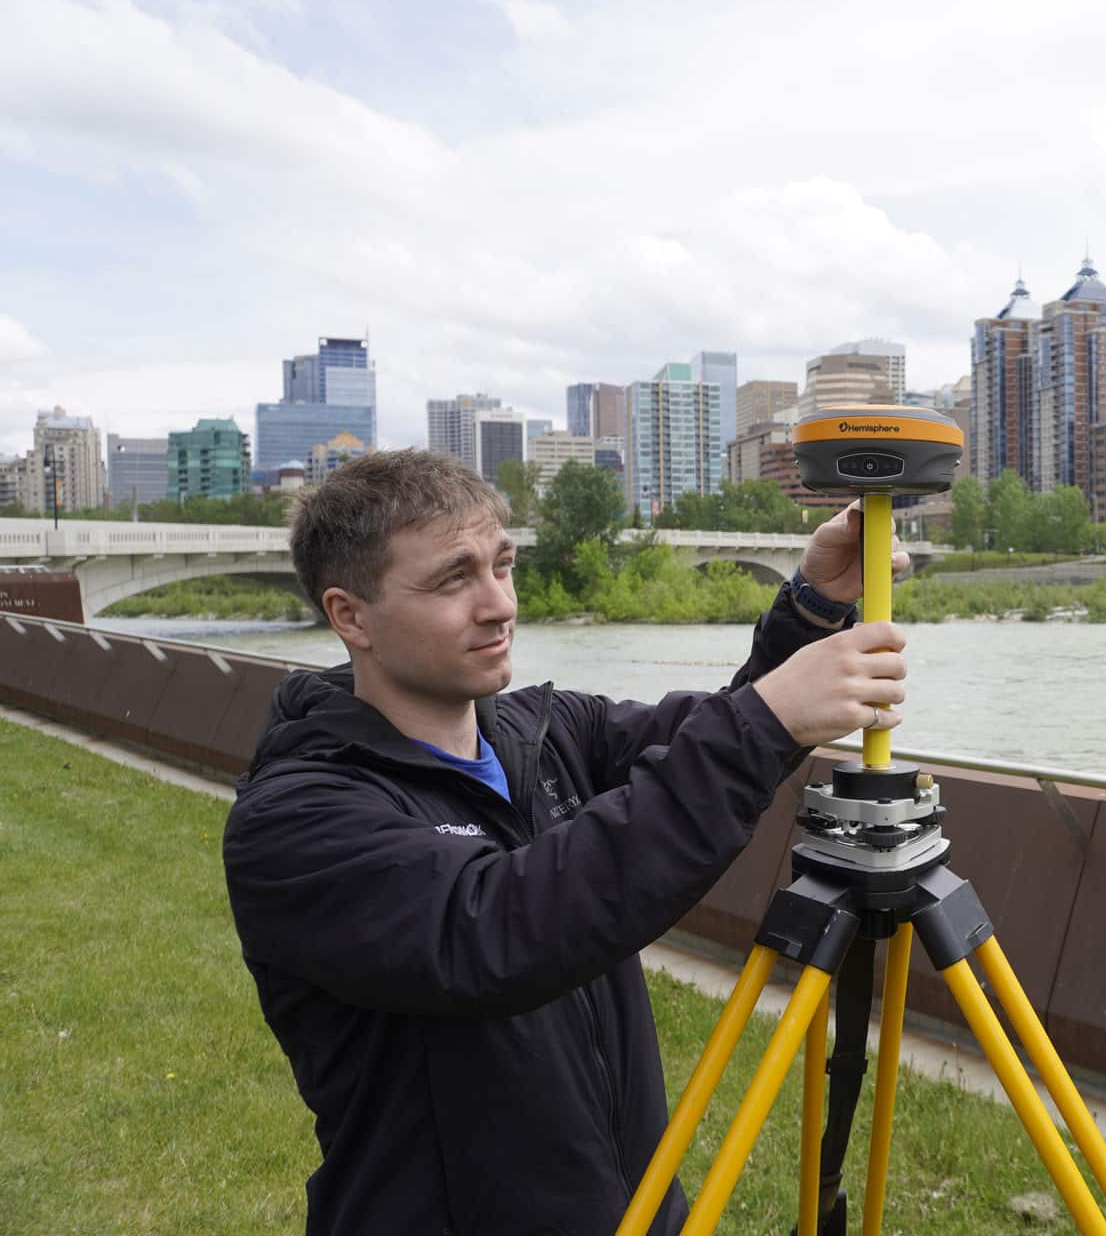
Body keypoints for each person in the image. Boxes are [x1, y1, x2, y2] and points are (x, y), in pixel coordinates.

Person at [222, 449, 909, 1235]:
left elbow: (709, 744)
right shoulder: (298, 819)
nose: (498, 604)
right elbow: (495, 929)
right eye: (454, 579)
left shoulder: (544, 733)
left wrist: (812, 607)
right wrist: (765, 721)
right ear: (351, 616)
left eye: (502, 565)